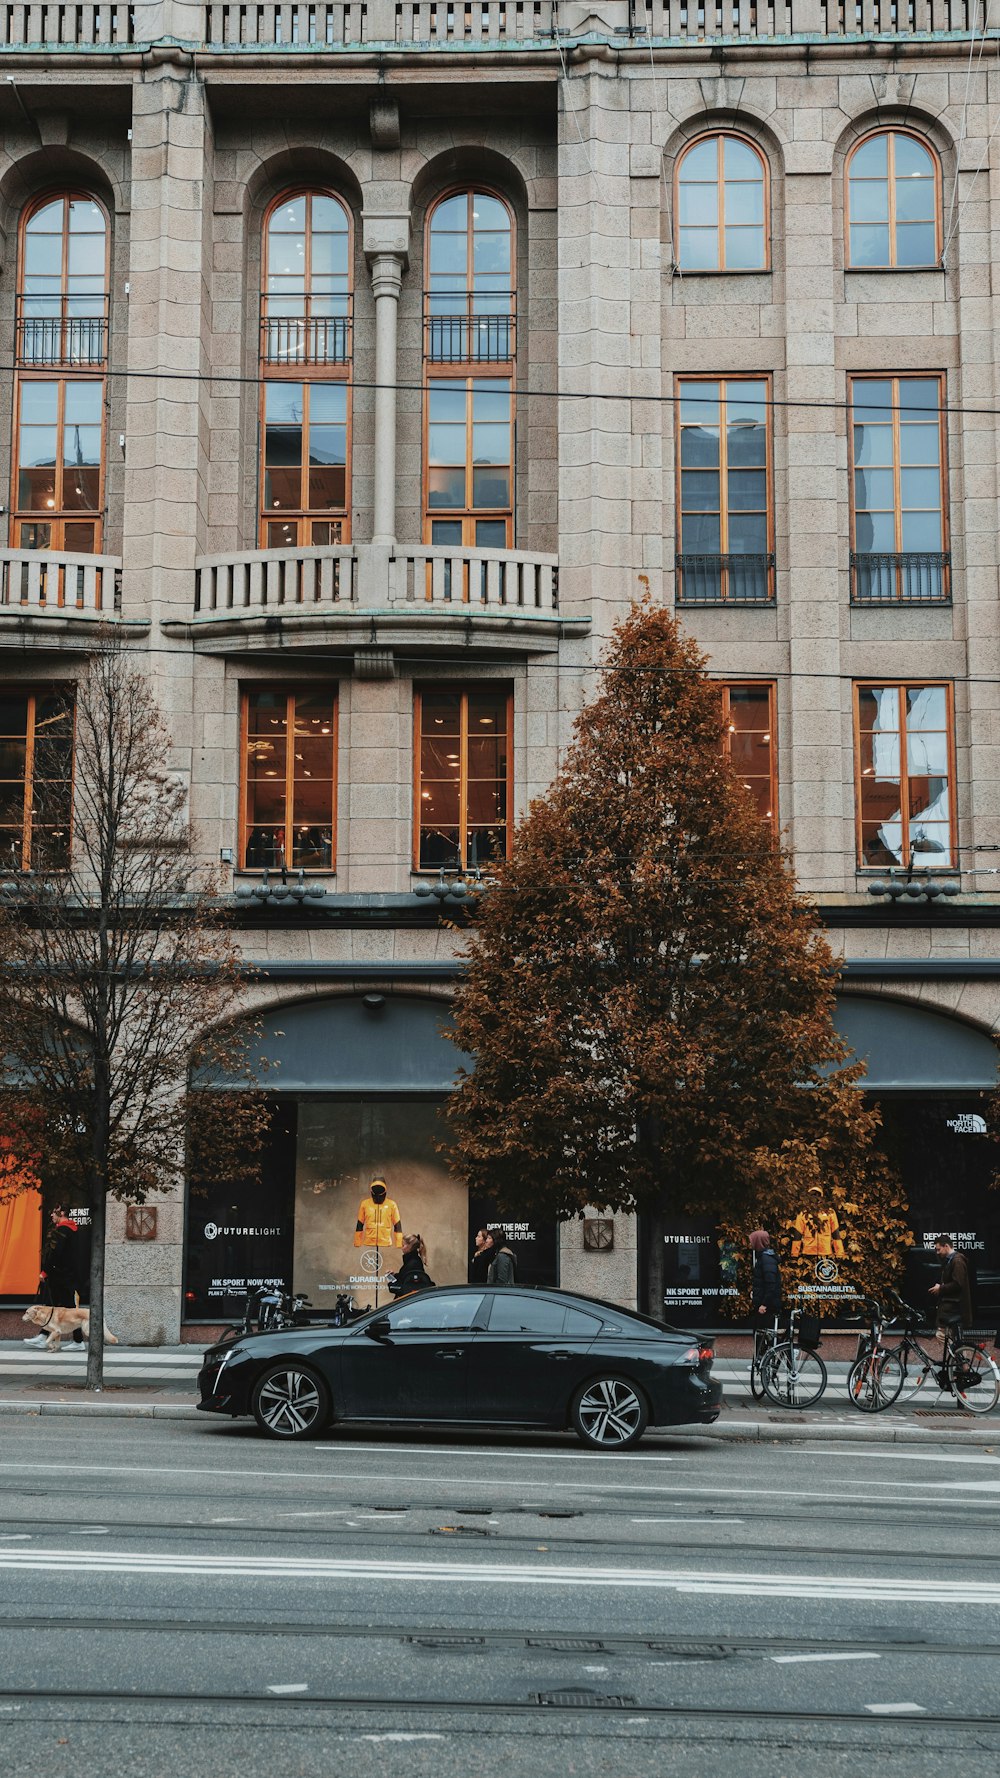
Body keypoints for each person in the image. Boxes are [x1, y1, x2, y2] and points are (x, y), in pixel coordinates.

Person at [24, 1207, 79, 1347]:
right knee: (59, 1306)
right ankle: (45, 1335)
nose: (51, 1215)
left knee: (63, 1307)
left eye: (54, 1212)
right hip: (67, 1275)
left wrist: (45, 1271)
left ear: (62, 1213)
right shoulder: (73, 1230)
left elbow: (55, 1254)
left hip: (59, 1276)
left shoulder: (61, 1231)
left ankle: (76, 1341)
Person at [929, 1233, 972, 1336]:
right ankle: (958, 1351)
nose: (937, 1252)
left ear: (946, 1246)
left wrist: (941, 1288)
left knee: (942, 1335)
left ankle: (957, 1351)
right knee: (955, 1338)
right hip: (953, 1307)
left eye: (939, 1249)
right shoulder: (951, 1260)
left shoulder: (957, 1261)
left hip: (954, 1308)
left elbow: (958, 1284)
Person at [749, 1229, 782, 1322]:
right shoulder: (764, 1258)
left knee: (764, 1332)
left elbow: (770, 1284)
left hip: (766, 1307)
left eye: (753, 1241)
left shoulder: (766, 1259)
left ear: (758, 1242)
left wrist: (764, 1304)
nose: (751, 1244)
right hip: (764, 1305)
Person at [386, 1233, 434, 1298]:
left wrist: (392, 1283)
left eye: (403, 1245)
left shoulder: (413, 1263)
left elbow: (407, 1288)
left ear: (410, 1246)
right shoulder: (412, 1261)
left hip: (408, 1302)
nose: (401, 1247)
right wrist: (395, 1276)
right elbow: (406, 1279)